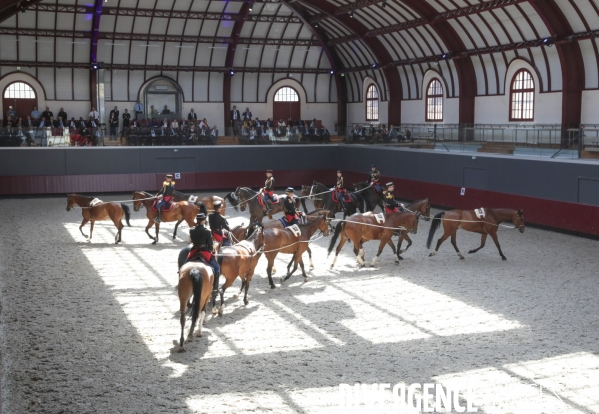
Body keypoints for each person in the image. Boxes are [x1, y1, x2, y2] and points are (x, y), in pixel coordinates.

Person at [177, 213, 221, 295]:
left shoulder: (192, 230)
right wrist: (212, 249)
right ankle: (215, 288)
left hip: (193, 251)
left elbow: (192, 241)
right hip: (204, 251)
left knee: (183, 267)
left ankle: (180, 282)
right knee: (217, 268)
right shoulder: (207, 231)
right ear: (203, 221)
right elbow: (210, 246)